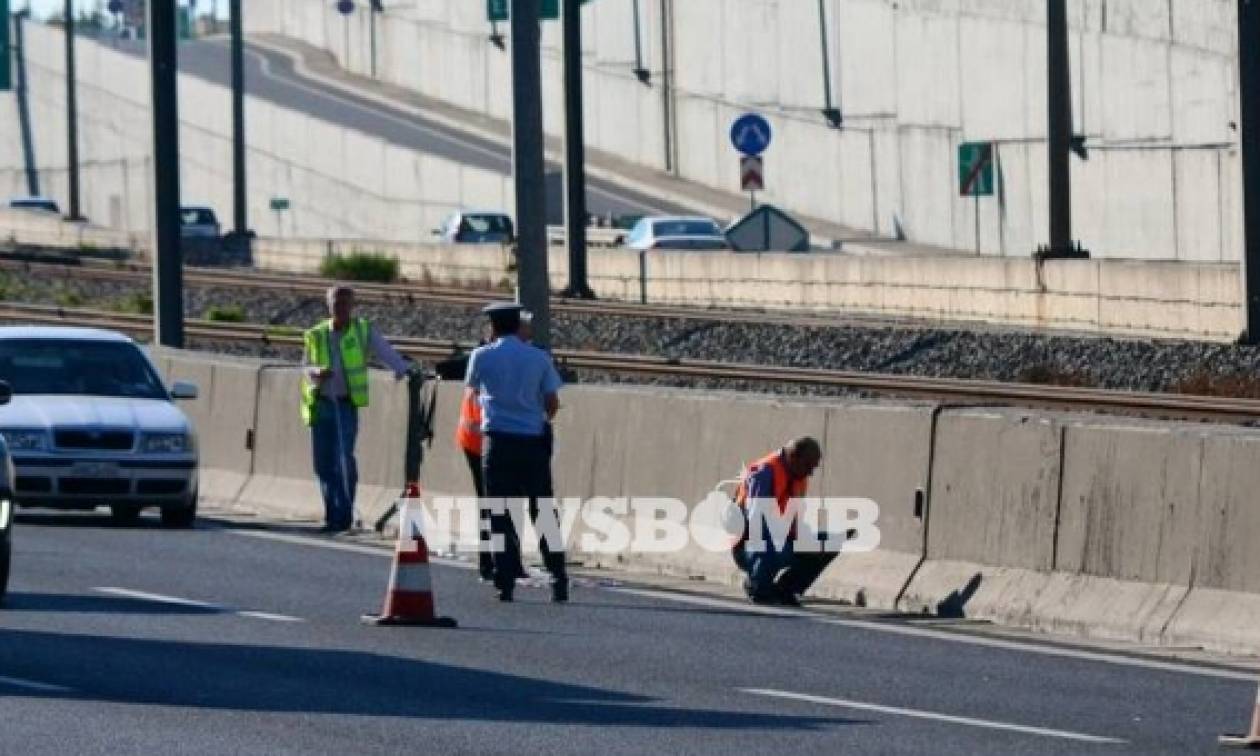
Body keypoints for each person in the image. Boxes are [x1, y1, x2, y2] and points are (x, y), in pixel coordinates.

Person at [465, 302, 567, 603]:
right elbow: (551, 401)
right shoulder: (539, 357)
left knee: (499, 511)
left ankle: (504, 578)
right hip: (532, 441)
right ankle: (558, 575)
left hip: (498, 442)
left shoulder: (481, 356)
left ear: (493, 327)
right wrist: (538, 419)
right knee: (543, 508)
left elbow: (473, 388)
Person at [301, 285, 411, 533]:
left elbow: (387, 354)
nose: (340, 309)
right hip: (321, 405)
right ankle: (332, 515)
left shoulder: (362, 330)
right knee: (323, 464)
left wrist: (404, 369)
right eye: (335, 304)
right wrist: (316, 373)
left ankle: (345, 514)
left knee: (344, 460)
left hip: (346, 405)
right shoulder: (316, 334)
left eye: (344, 304)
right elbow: (305, 367)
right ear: (328, 306)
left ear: (352, 306)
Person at [732, 437, 837, 606]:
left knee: (828, 543)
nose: (810, 473)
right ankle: (758, 586)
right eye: (808, 466)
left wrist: (807, 540)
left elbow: (795, 520)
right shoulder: (766, 472)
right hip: (750, 545)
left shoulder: (799, 477)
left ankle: (785, 590)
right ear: (794, 457)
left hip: (779, 539)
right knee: (772, 543)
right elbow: (755, 522)